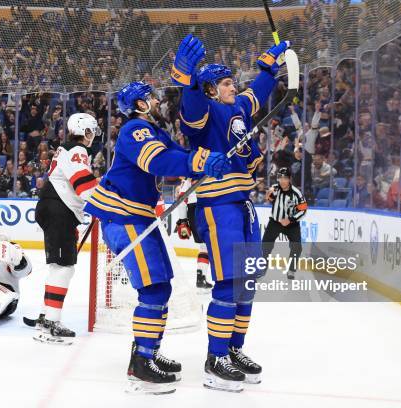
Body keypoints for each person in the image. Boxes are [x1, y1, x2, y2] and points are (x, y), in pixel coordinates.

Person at [84, 81, 231, 394]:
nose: (155, 101)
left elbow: (180, 156)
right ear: (139, 105)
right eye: (149, 97)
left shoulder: (154, 130)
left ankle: (148, 352)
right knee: (153, 289)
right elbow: (158, 162)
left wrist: (207, 156)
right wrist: (198, 162)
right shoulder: (135, 129)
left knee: (160, 286)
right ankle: (141, 365)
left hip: (137, 218)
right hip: (124, 218)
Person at [174, 33, 289, 391]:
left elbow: (257, 91)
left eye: (232, 82)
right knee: (227, 282)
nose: (232, 86)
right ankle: (215, 358)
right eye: (226, 82)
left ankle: (234, 349)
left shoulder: (239, 105)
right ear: (211, 88)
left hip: (244, 204)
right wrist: (188, 77)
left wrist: (268, 69)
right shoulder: (204, 109)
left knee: (248, 282)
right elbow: (190, 110)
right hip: (217, 205)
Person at [31, 113, 101, 345]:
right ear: (85, 132)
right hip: (59, 210)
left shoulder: (66, 149)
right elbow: (83, 185)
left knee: (59, 268)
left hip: (54, 208)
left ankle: (45, 317)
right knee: (63, 268)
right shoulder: (77, 150)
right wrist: (105, 204)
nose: (93, 137)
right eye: (92, 132)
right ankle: (51, 324)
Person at [262, 167, 307, 280]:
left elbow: (303, 209)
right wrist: (268, 195)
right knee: (265, 245)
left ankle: (291, 269)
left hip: (291, 223)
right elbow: (270, 196)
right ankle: (262, 268)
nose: (282, 181)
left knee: (297, 247)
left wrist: (290, 219)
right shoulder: (276, 188)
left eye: (285, 178)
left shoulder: (296, 193)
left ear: (290, 179)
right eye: (280, 178)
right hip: (275, 222)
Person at [174, 178, 213, 290]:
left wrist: (183, 220)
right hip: (206, 207)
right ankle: (219, 279)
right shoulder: (213, 171)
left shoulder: (188, 177)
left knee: (204, 246)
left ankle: (201, 278)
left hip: (193, 210)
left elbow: (181, 199)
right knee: (213, 245)